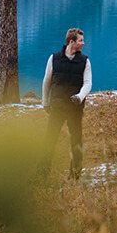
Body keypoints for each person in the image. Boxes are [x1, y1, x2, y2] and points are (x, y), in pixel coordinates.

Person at [38, 27, 92, 179]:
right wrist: (45, 102)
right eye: (80, 41)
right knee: (50, 139)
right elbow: (46, 81)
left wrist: (80, 97)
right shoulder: (54, 58)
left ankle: (75, 174)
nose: (83, 43)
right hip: (57, 107)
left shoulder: (85, 61)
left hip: (75, 108)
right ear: (71, 42)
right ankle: (42, 173)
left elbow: (88, 83)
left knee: (76, 140)